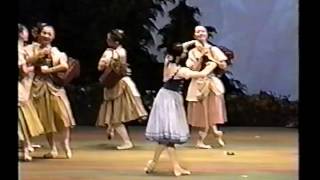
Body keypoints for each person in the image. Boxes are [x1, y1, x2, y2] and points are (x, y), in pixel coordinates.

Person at [144, 41, 213, 176]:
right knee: (169, 138)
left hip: (165, 96)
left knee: (165, 138)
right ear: (179, 55)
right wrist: (213, 64)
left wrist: (194, 42)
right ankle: (176, 167)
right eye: (184, 52)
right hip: (169, 100)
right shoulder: (181, 71)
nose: (186, 52)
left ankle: (153, 163)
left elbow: (181, 47)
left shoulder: (168, 60)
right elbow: (201, 74)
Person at [24, 23, 76, 159]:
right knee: (46, 119)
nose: (46, 35)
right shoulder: (29, 49)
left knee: (63, 117)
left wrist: (49, 70)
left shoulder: (55, 51)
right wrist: (38, 56)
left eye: (49, 34)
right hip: (37, 87)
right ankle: (53, 149)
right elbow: (25, 62)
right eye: (44, 33)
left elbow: (64, 66)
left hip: (54, 87)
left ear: (53, 37)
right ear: (38, 34)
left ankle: (65, 145)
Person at [96, 29, 148, 150]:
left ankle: (126, 141)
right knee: (113, 112)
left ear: (116, 41)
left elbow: (106, 67)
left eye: (109, 38)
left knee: (116, 115)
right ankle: (111, 128)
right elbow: (102, 67)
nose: (107, 40)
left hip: (118, 85)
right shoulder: (114, 51)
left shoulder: (117, 52)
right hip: (115, 84)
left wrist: (106, 62)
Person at [186, 25, 228, 149]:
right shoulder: (192, 52)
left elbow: (223, 65)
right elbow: (192, 68)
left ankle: (214, 133)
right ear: (194, 35)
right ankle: (207, 136)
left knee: (211, 110)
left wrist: (212, 59)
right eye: (197, 31)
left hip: (211, 82)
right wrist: (200, 57)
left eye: (202, 31)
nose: (200, 33)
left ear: (207, 34)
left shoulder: (213, 49)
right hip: (198, 83)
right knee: (201, 112)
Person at [18, 23, 44, 161]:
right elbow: (23, 72)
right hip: (19, 88)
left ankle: (26, 147)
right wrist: (35, 66)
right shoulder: (19, 49)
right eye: (25, 31)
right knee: (21, 119)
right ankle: (26, 149)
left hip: (22, 88)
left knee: (22, 119)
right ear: (21, 34)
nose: (27, 33)